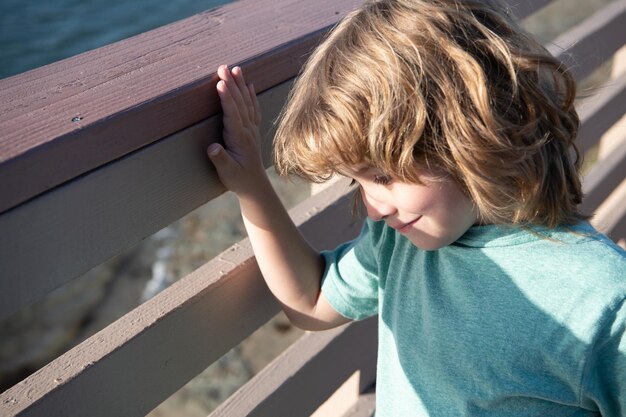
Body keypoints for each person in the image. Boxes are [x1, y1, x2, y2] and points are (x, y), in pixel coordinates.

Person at [206, 0, 626, 415]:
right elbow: (313, 301)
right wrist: (252, 187)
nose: (373, 210)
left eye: (384, 176)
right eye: (359, 181)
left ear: (472, 134)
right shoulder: (399, 244)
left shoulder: (601, 297)